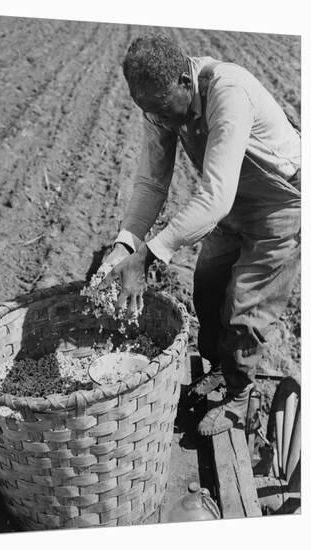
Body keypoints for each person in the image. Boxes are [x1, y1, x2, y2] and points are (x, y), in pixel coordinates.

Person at [100, 34, 300, 436]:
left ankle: (240, 399)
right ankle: (219, 370)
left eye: (160, 108)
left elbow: (215, 194)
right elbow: (152, 183)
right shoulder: (159, 106)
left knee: (245, 308)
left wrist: (147, 257)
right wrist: (125, 243)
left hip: (279, 206)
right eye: (147, 110)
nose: (158, 119)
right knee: (207, 287)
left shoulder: (228, 91)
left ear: (183, 81)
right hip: (229, 205)